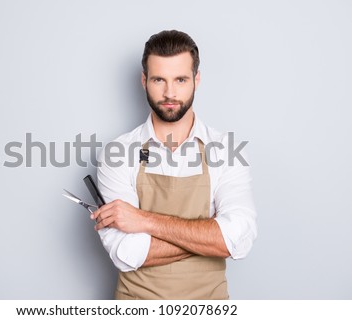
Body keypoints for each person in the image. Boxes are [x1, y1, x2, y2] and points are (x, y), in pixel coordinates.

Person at [92, 30, 257, 300]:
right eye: (159, 80)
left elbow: (238, 239)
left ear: (196, 79)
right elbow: (127, 253)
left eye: (180, 79)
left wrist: (144, 220)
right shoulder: (117, 152)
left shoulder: (226, 150)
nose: (170, 93)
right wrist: (210, 234)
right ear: (144, 81)